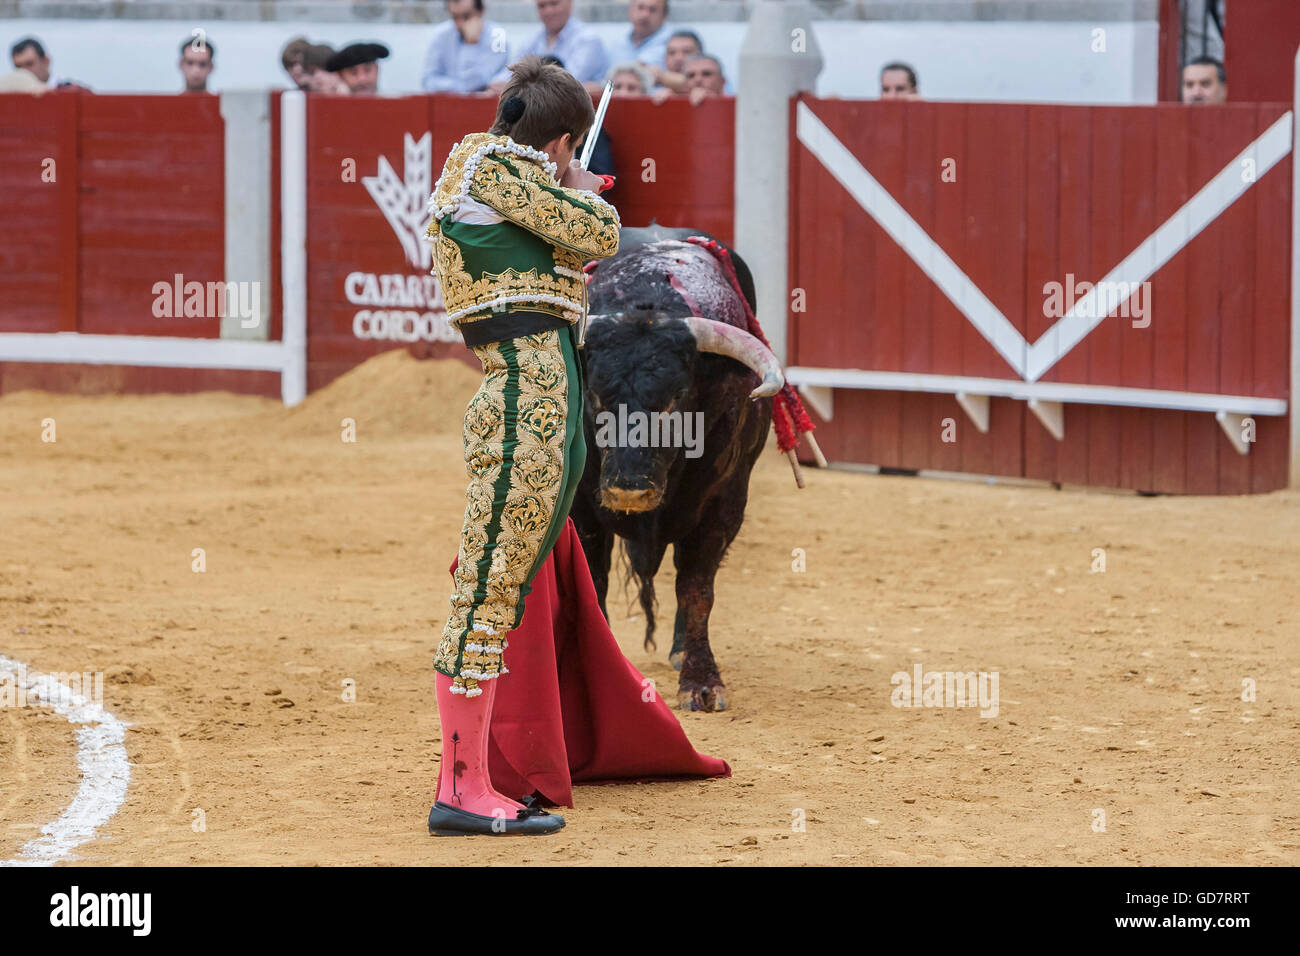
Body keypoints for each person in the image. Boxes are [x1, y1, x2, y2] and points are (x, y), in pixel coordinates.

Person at [424, 54, 620, 836]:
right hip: (521, 395)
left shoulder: (497, 171)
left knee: (497, 585)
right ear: (563, 139)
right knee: (487, 585)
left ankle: (466, 780)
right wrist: (577, 188)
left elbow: (571, 247)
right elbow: (597, 230)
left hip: (541, 387)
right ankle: (464, 792)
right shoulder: (490, 165)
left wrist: (569, 187)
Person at [490, 0, 608, 94]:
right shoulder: (532, 40)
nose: (548, 11)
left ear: (570, 3)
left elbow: (566, 85)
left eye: (554, 3)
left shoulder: (588, 40)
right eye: (542, 6)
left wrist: (514, 87)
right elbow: (503, 77)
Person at [421, 0, 509, 93]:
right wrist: (459, 86)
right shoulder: (441, 35)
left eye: (466, 16)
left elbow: (474, 83)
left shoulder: (498, 37)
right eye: (455, 17)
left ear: (481, 11)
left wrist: (470, 44)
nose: (460, 24)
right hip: (448, 105)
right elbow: (428, 82)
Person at [607, 0, 672, 71]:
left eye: (652, 10)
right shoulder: (616, 42)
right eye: (640, 8)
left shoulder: (673, 43)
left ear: (664, 16)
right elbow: (607, 80)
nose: (645, 15)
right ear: (630, 10)